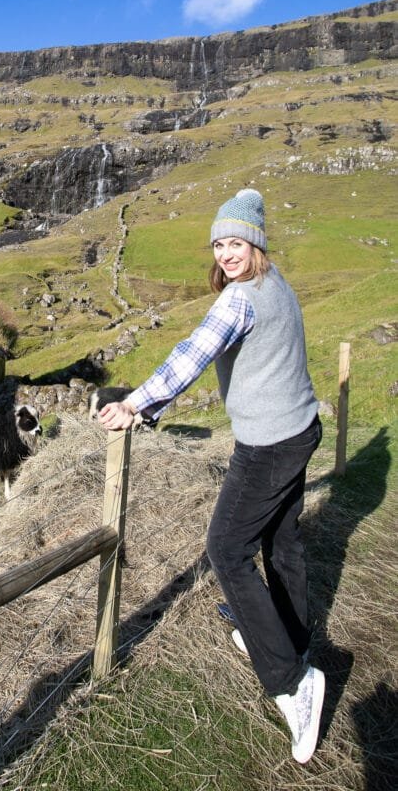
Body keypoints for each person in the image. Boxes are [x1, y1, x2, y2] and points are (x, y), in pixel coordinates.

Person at [97, 188, 325, 765]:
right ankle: (285, 636)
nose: (226, 253)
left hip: (269, 444)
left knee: (226, 549)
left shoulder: (240, 300)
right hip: (301, 429)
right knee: (281, 543)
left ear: (256, 245)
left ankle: (292, 682)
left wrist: (134, 405)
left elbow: (190, 355)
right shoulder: (279, 288)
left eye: (236, 242)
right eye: (220, 243)